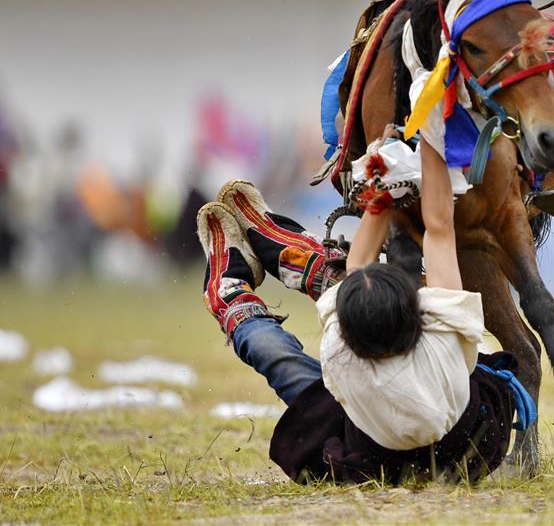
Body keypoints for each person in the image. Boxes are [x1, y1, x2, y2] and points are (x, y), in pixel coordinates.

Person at [196, 139, 535, 484]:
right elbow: (440, 229)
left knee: (280, 355)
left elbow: (357, 266)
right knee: (331, 312)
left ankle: (230, 295)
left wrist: (381, 195)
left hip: (368, 450)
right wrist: (433, 141)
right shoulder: (443, 339)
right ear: (418, 311)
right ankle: (278, 255)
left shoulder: (338, 350)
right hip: (463, 451)